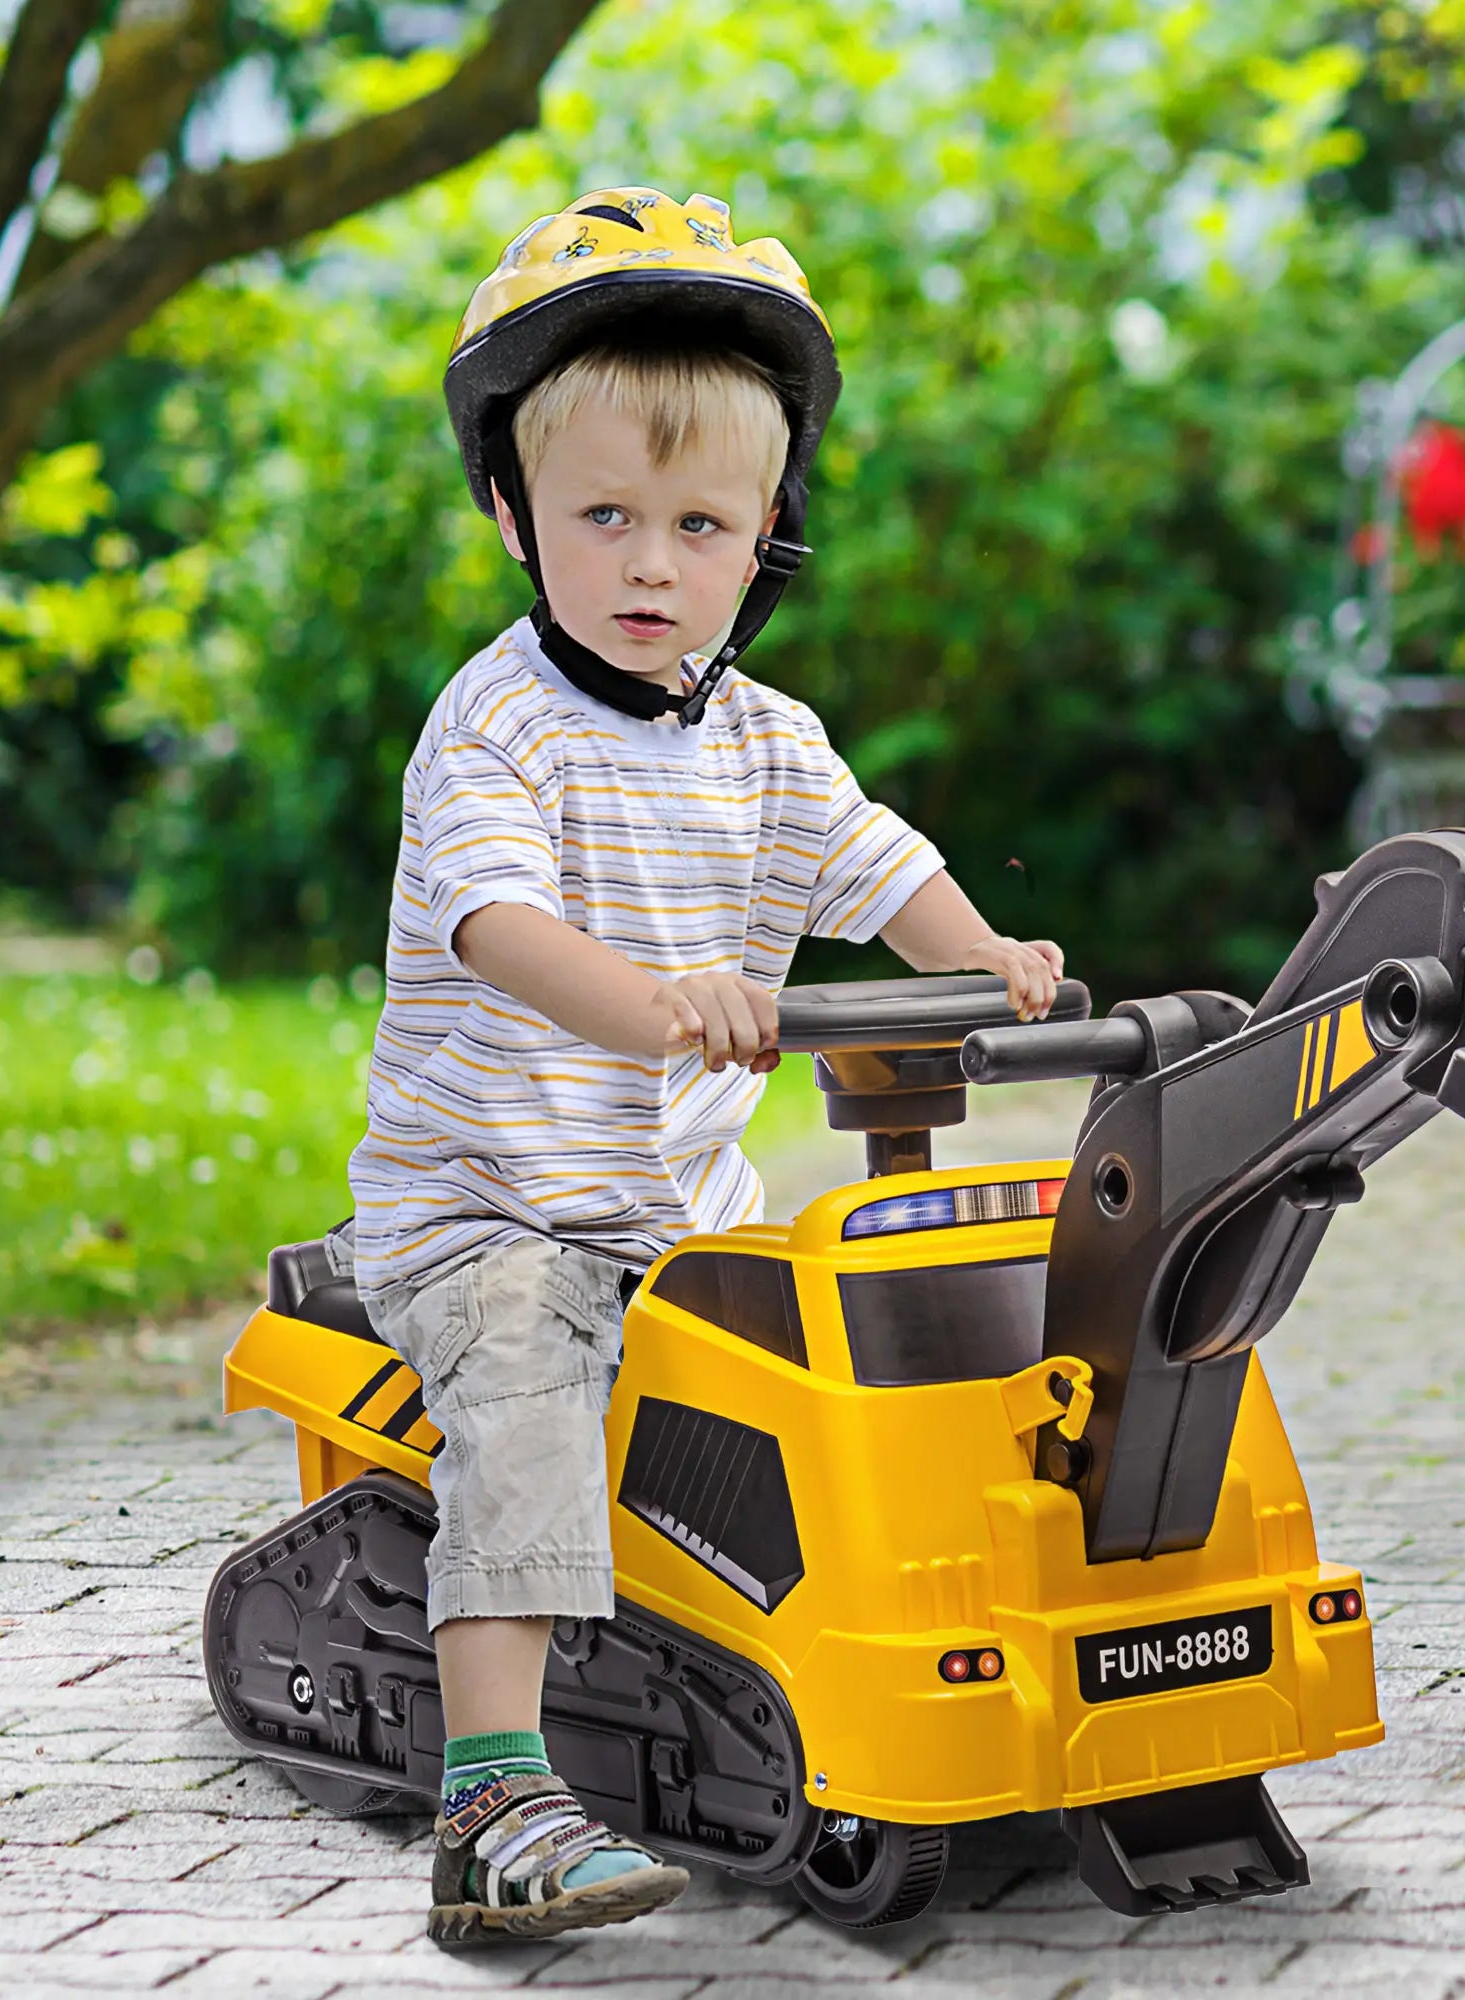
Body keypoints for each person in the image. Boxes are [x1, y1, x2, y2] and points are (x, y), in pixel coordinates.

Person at [338, 187, 1065, 1945]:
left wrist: (984, 955)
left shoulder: (765, 740)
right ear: (516, 519)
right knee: (520, 1399)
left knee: (847, 1339)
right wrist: (655, 996)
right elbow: (495, 929)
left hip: (678, 1208)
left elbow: (876, 867)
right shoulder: (496, 727)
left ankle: (828, 1666)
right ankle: (496, 1797)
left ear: (765, 542)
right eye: (604, 517)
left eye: (699, 524)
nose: (651, 564)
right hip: (488, 1209)